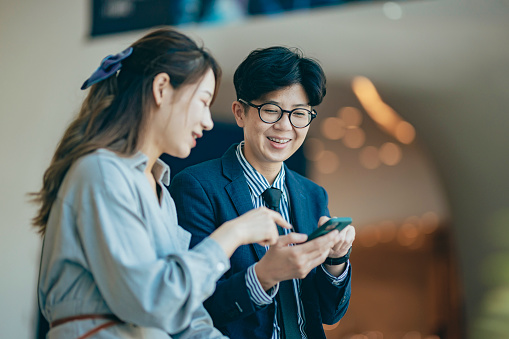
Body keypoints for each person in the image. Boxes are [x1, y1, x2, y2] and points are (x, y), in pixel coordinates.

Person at [31, 28, 291, 339]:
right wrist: (233, 233)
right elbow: (152, 301)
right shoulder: (101, 172)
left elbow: (184, 314)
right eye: (203, 101)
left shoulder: (161, 195)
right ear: (162, 89)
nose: (208, 121)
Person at [169, 46, 355, 339]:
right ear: (240, 113)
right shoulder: (197, 186)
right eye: (271, 110)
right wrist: (263, 276)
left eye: (299, 114)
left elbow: (330, 313)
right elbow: (192, 306)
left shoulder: (313, 194)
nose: (285, 126)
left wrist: (337, 260)